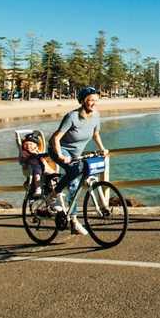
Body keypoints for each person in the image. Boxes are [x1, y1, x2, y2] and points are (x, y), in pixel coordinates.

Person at [48, 86, 108, 235]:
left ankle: (66, 204)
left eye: (95, 100)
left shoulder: (96, 115)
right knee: (74, 175)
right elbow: (56, 138)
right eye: (90, 100)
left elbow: (96, 134)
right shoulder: (72, 117)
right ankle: (68, 214)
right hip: (59, 149)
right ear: (82, 101)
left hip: (76, 154)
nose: (93, 103)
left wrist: (102, 148)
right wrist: (61, 156)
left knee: (79, 173)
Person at [16, 129, 53, 198]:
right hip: (31, 168)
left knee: (52, 172)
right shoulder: (24, 153)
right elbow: (19, 145)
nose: (28, 146)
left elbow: (43, 155)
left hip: (43, 167)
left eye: (30, 144)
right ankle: (38, 188)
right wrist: (17, 135)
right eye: (26, 144)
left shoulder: (38, 151)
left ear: (36, 146)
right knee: (36, 167)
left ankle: (55, 189)